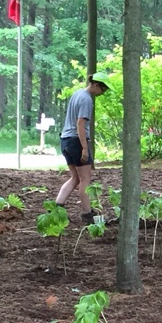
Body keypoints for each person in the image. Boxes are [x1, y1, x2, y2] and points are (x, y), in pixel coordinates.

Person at [57, 73, 109, 223]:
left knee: (75, 178)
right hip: (76, 142)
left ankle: (57, 207)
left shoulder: (77, 93)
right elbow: (80, 124)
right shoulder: (86, 99)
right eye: (103, 89)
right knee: (85, 179)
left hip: (65, 140)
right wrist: (84, 148)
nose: (102, 93)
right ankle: (87, 214)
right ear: (96, 85)